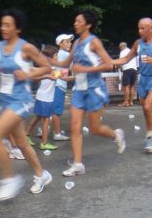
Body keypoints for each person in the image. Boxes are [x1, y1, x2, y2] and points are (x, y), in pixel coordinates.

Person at [50, 9, 126, 177]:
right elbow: (64, 63)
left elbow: (108, 65)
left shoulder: (94, 42)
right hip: (79, 89)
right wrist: (44, 58)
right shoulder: (76, 43)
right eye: (75, 21)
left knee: (94, 128)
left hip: (94, 89)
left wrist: (85, 68)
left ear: (88, 24)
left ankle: (116, 134)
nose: (75, 24)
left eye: (79, 21)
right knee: (74, 127)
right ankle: (78, 165)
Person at [0, 8, 53, 201]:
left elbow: (46, 67)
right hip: (5, 100)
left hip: (21, 101)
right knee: (22, 143)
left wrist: (29, 74)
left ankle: (10, 179)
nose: (3, 28)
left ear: (18, 28)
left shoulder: (26, 48)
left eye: (8, 25)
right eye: (2, 24)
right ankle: (42, 175)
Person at [113, 18, 152, 153]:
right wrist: (109, 61)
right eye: (139, 28)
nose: (139, 31)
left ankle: (151, 136)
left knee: (147, 106)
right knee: (145, 108)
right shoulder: (138, 43)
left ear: (151, 28)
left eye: (142, 28)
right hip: (143, 78)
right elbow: (125, 59)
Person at [26, 44, 59, 150]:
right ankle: (44, 143)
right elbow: (34, 76)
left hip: (42, 96)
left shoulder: (48, 67)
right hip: (45, 98)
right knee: (46, 121)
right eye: (56, 55)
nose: (57, 57)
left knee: (37, 117)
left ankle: (26, 135)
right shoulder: (49, 68)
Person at [51, 34, 75, 141]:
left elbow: (55, 70)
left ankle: (36, 130)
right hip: (59, 85)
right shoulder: (64, 54)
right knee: (56, 111)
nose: (70, 44)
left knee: (48, 110)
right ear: (60, 44)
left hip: (55, 85)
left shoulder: (58, 54)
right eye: (67, 42)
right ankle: (57, 134)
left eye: (70, 42)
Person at [118, 42, 137, 107]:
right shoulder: (131, 51)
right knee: (132, 86)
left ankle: (126, 102)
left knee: (126, 86)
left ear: (121, 47)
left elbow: (121, 61)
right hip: (134, 70)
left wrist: (118, 67)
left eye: (120, 48)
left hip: (127, 70)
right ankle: (131, 102)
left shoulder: (122, 52)